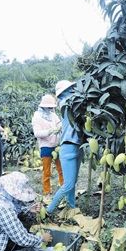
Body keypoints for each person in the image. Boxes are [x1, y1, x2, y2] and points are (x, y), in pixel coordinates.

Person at [46, 80, 83, 215]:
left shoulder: (75, 103)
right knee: (68, 184)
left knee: (72, 182)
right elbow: (72, 102)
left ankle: (71, 208)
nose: (72, 91)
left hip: (78, 146)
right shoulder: (65, 103)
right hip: (68, 148)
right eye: (70, 89)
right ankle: (49, 210)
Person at [31, 94, 64, 196]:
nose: (50, 108)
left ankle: (64, 187)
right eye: (49, 106)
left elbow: (60, 125)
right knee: (47, 171)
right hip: (45, 146)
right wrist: (50, 131)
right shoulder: (37, 117)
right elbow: (37, 133)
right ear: (43, 106)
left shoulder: (53, 115)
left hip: (57, 145)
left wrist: (60, 129)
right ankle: (47, 191)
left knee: (61, 169)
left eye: (52, 107)